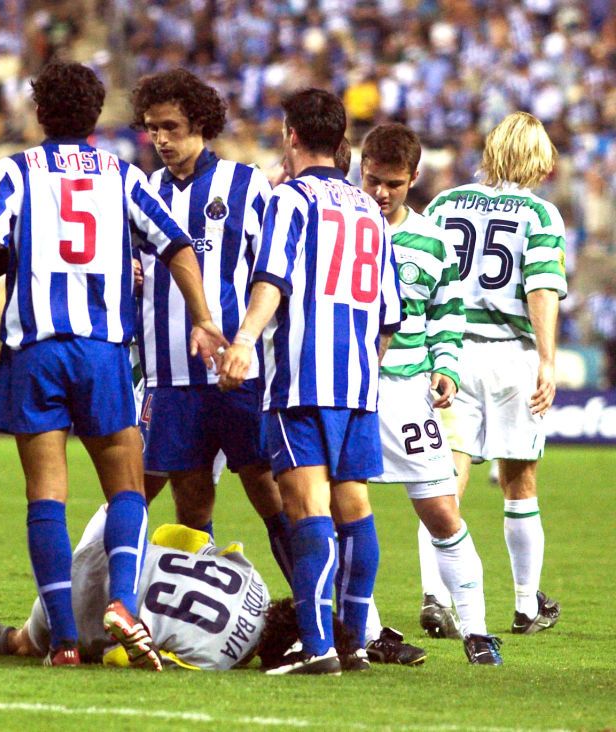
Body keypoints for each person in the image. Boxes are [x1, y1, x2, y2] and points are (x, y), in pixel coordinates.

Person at [0, 61, 226, 669]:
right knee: (126, 488)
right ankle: (124, 603)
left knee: (46, 495)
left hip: (38, 350)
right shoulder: (123, 175)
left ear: (40, 113)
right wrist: (204, 316)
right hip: (102, 351)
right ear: (95, 114)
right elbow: (177, 244)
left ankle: (66, 644)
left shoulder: (18, 171)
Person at [219, 88, 402, 675]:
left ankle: (317, 645)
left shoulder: (291, 199)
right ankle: (351, 642)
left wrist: (245, 340)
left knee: (307, 509)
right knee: (355, 507)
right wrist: (364, 370)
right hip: (357, 382)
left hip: (301, 380)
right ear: (342, 141)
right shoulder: (371, 209)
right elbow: (389, 314)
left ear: (289, 135)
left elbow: (273, 278)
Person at [128, 68, 292, 585]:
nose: (161, 140)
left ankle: (318, 612)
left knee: (270, 492)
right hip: (171, 377)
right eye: (153, 128)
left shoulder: (245, 186)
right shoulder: (143, 190)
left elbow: (273, 272)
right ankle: (205, 614)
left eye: (171, 127)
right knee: (192, 503)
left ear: (200, 123)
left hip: (239, 374)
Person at [360, 123, 501, 665]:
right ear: (360, 167)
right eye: (373, 179)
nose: (381, 193)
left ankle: (477, 630)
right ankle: (368, 631)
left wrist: (446, 368)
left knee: (442, 511)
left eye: (393, 183)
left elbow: (446, 314)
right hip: (347, 389)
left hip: (406, 392)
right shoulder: (342, 225)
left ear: (414, 177)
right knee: (345, 510)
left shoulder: (434, 240)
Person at [424, 111, 566, 636]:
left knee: (439, 478)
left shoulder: (443, 204)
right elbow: (541, 288)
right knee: (519, 479)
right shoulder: (540, 214)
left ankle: (434, 597)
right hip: (511, 356)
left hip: (451, 353)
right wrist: (547, 361)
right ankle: (527, 605)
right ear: (536, 157)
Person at [0, 506, 271, 670]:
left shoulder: (256, 580)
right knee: (19, 643)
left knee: (124, 496)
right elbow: (128, 658)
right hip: (95, 612)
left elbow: (175, 536)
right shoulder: (219, 659)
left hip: (113, 549)